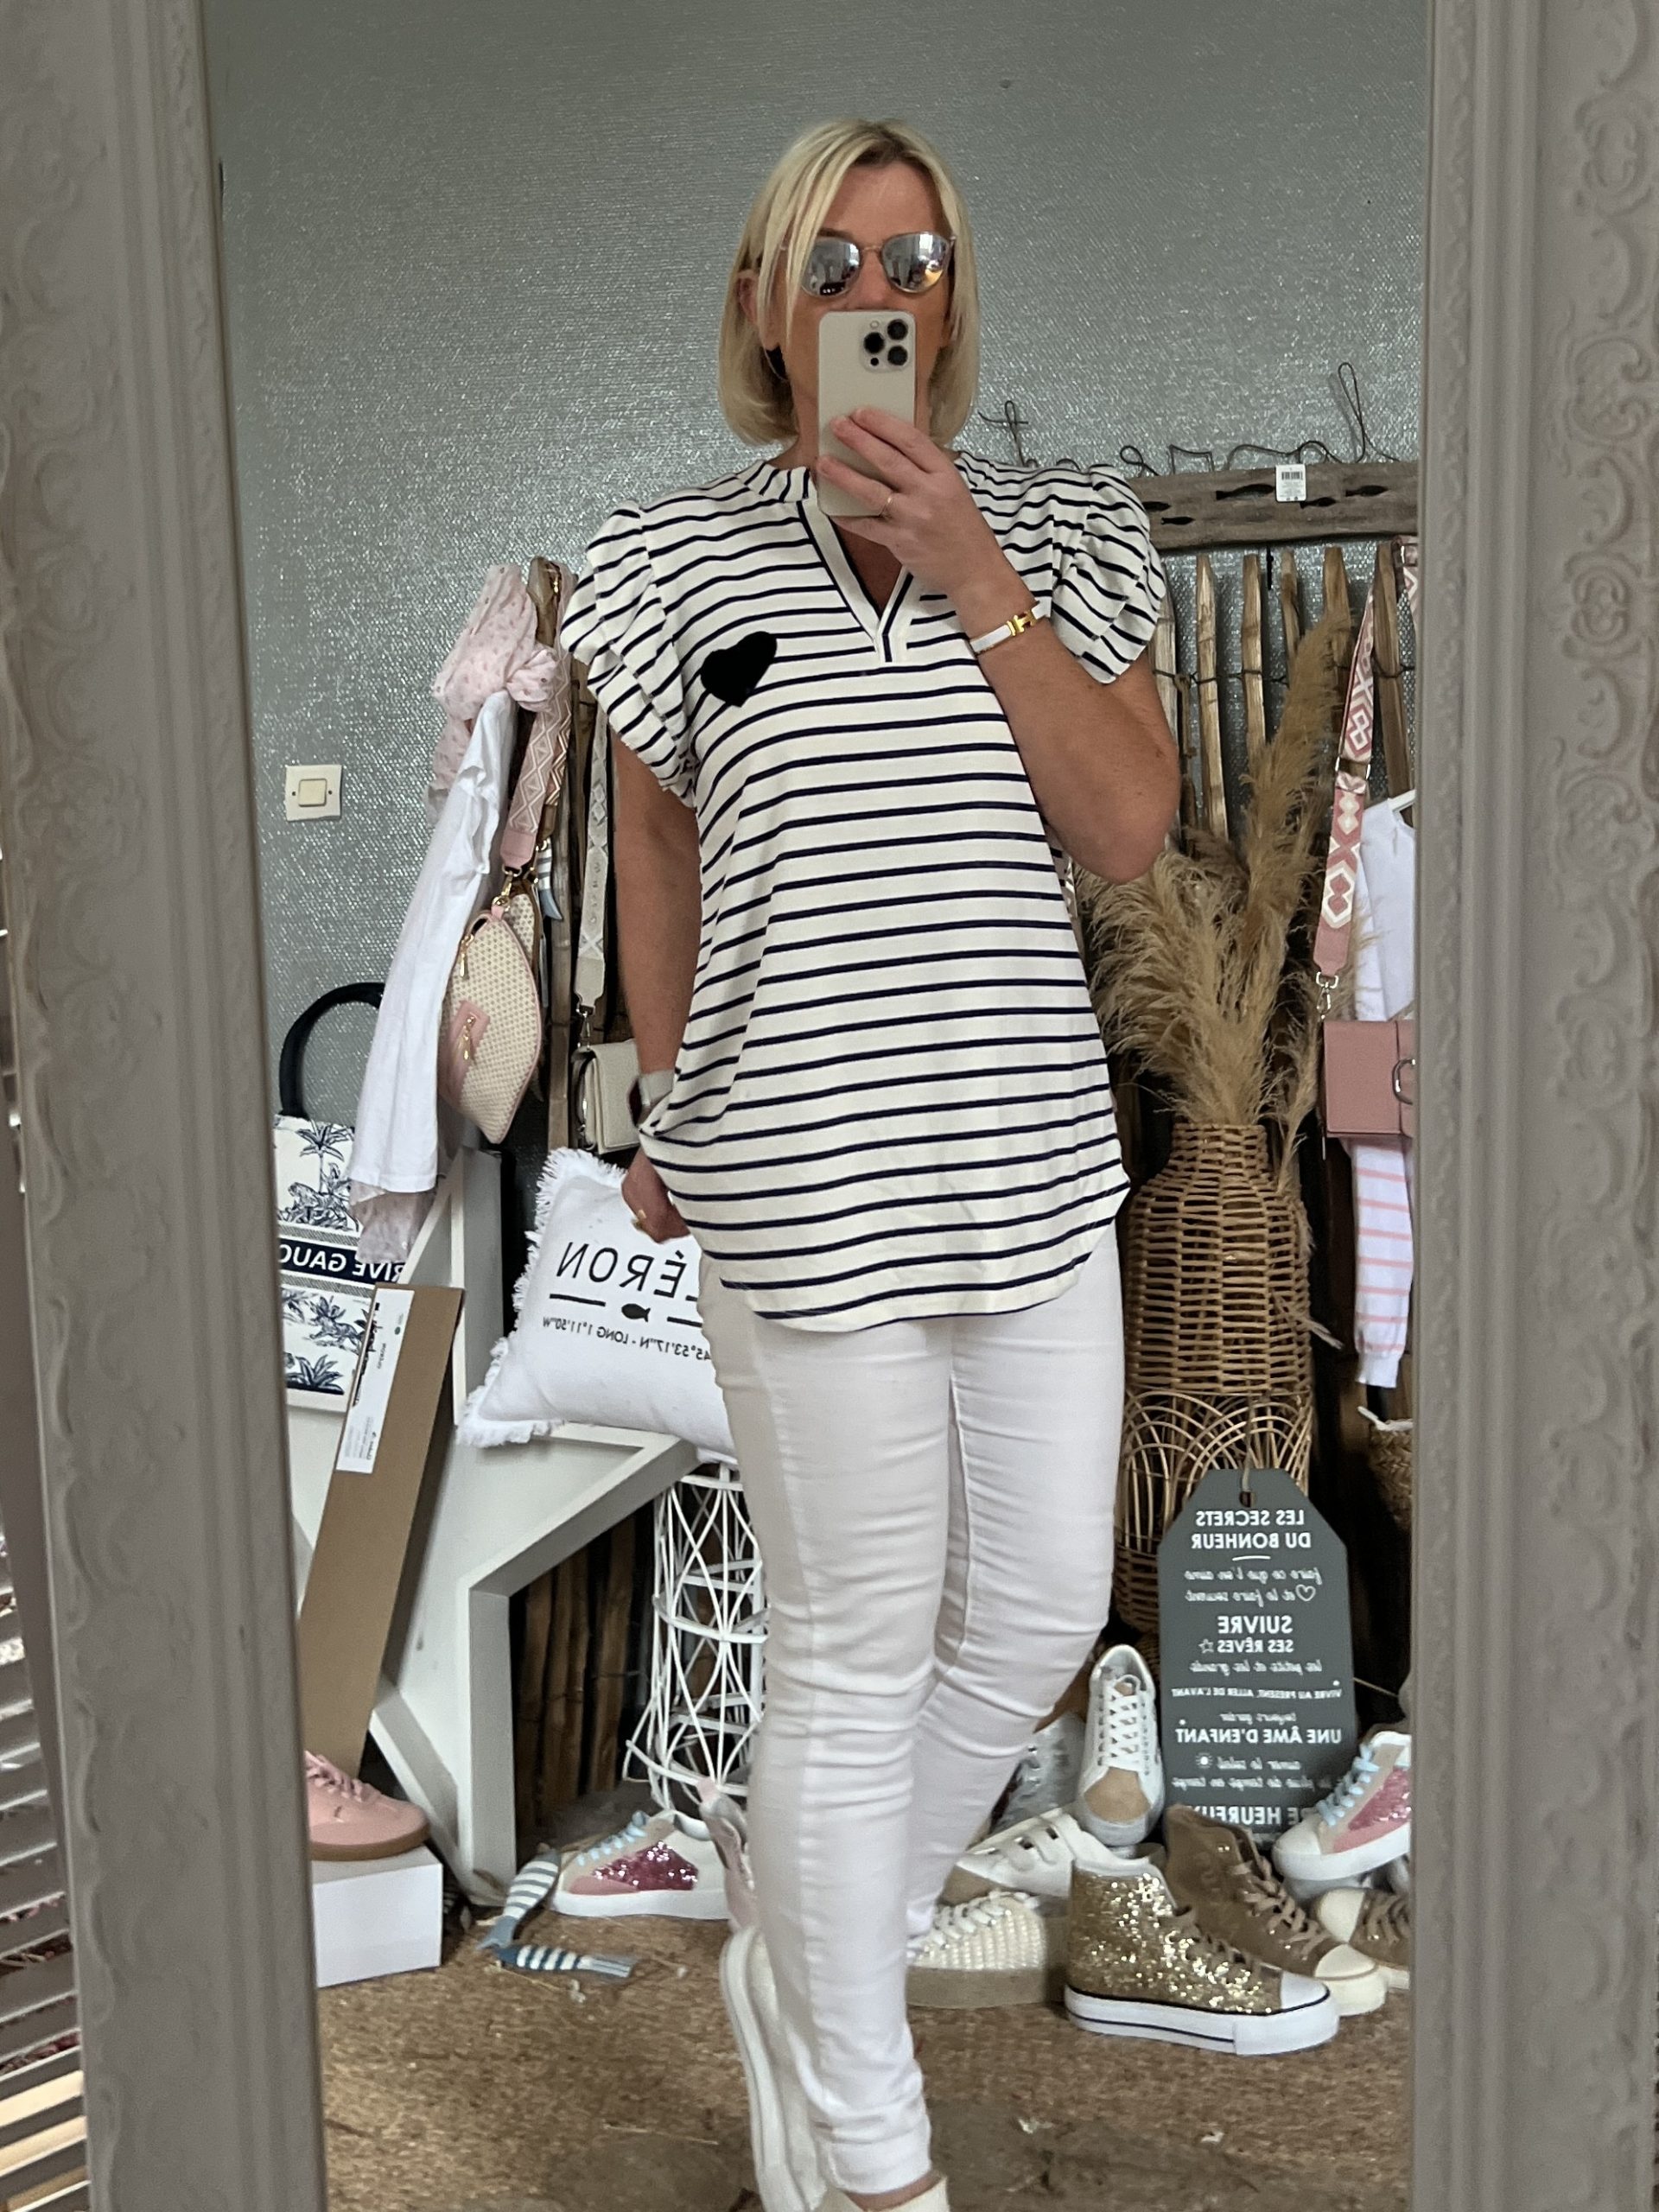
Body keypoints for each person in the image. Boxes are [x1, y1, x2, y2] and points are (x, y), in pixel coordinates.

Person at [560, 115, 1175, 2212]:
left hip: (1032, 1174)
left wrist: (981, 575)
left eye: (914, 261)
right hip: (801, 1183)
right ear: (763, 303)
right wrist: (658, 1104)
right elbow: (658, 859)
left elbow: (1128, 829)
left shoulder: (1070, 529)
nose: (879, 294)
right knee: (849, 1652)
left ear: (954, 297)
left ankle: (808, 1974)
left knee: (1036, 1612)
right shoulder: (663, 559)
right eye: (833, 263)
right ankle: (878, 2150)